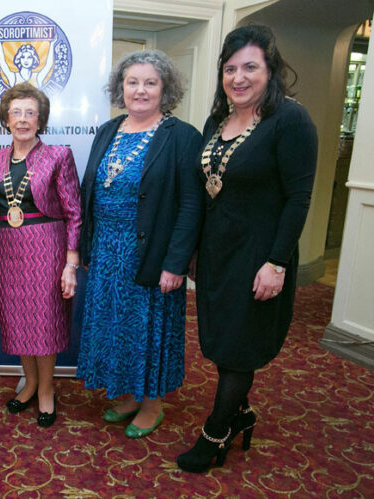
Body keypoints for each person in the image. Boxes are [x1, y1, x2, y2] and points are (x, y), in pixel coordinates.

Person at [176, 25, 317, 472]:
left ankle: (215, 432)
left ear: (270, 70)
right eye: (230, 68)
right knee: (222, 341)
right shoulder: (216, 122)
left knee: (240, 345)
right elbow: (204, 191)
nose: (238, 77)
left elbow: (298, 198)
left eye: (250, 67)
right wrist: (196, 250)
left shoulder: (291, 120)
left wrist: (276, 263)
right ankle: (240, 414)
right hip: (219, 252)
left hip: (259, 255)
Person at [76, 50, 202, 439]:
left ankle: (152, 405)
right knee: (116, 327)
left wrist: (176, 263)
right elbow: (91, 191)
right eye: (133, 82)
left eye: (151, 82)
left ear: (165, 90)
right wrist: (87, 246)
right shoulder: (108, 130)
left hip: (151, 253)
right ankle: (129, 395)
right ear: (121, 88)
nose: (140, 90)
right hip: (107, 253)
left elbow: (192, 205)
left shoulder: (182, 137)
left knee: (148, 330)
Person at [0, 83, 81, 428]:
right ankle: (31, 383)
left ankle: (46, 390)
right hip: (8, 250)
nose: (22, 120)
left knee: (44, 319)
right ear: (5, 119)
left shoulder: (58, 156)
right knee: (18, 320)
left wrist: (71, 263)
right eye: (16, 113)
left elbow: (74, 213)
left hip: (46, 246)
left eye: (30, 113)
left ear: (40, 121)